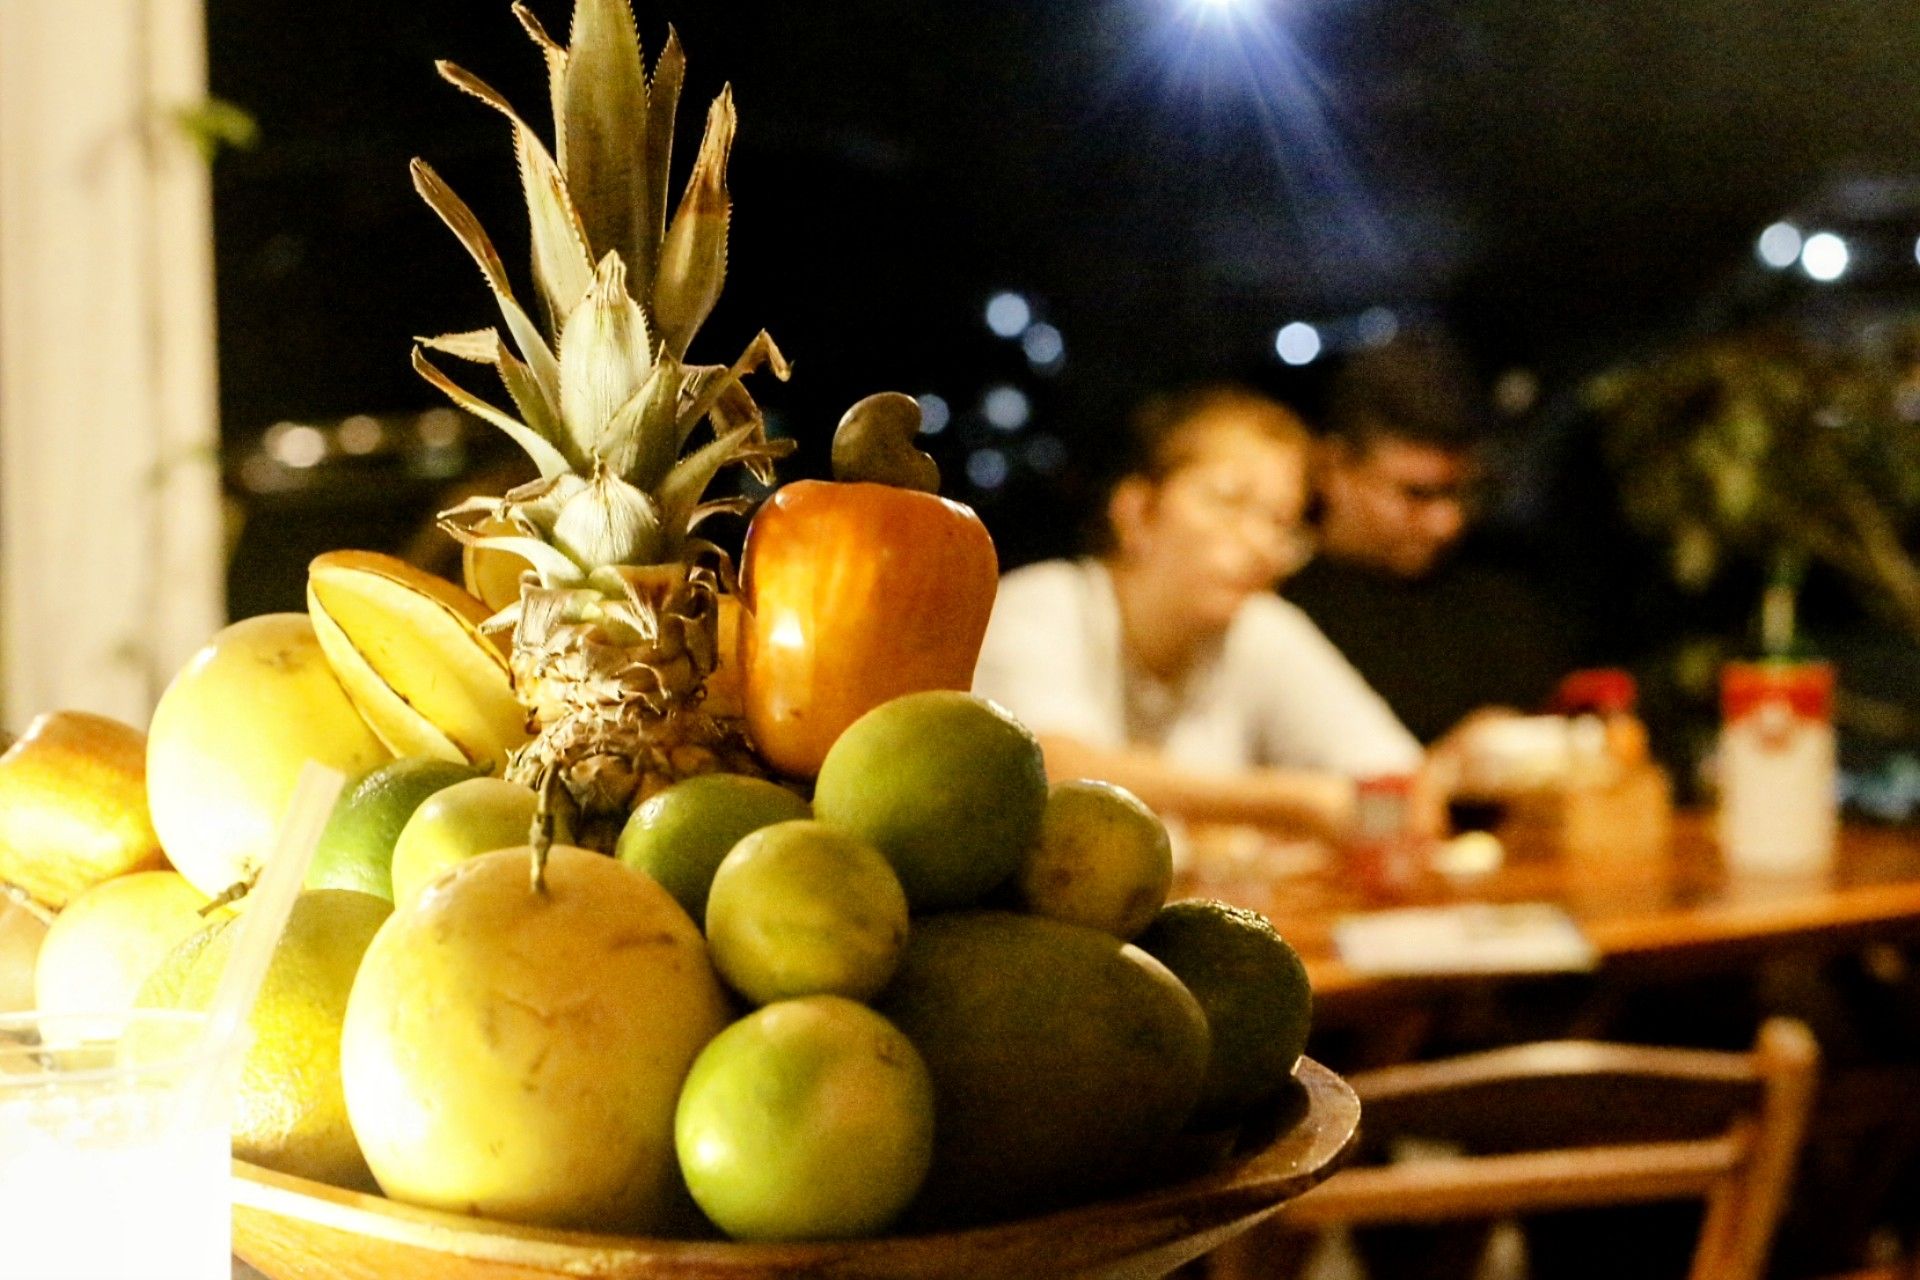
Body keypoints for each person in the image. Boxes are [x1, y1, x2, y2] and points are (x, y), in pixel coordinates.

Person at [971, 385, 1426, 840]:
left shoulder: (1261, 627)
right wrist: (1292, 801)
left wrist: (1460, 770)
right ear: (1136, 512)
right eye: (1228, 502)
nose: (1260, 544)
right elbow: (1052, 768)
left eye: (1282, 523)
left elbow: (1396, 785)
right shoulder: (1042, 603)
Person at [1285, 332, 1579, 745]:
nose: (1447, 521)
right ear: (1335, 469)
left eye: (1459, 492)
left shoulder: (1505, 604)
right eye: (1415, 494)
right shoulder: (1278, 611)